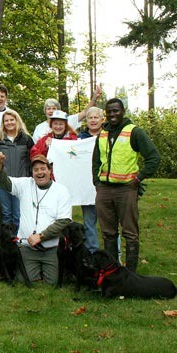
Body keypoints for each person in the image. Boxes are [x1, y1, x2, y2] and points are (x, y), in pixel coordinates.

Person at [92, 98, 160, 272]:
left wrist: (138, 179)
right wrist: (97, 182)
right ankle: (113, 272)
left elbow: (154, 157)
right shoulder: (103, 134)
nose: (113, 114)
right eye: (109, 111)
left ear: (123, 111)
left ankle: (130, 274)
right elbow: (95, 161)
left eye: (116, 110)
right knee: (108, 233)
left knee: (130, 233)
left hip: (126, 189)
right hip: (104, 190)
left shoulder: (134, 132)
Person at [0, 153, 72, 285]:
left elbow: (64, 221)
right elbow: (2, 182)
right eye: (35, 170)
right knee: (24, 280)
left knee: (53, 282)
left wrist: (41, 236)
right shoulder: (24, 184)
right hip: (27, 247)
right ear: (32, 172)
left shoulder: (61, 191)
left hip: (51, 248)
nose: (39, 172)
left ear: (50, 170)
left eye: (43, 169)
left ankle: (47, 268)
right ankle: (34, 268)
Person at [0, 109, 34, 237]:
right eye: (6, 120)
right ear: (3, 123)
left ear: (17, 121)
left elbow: (32, 160)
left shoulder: (27, 139)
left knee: (18, 213)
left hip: (21, 183)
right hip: (3, 182)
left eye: (11, 120)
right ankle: (7, 241)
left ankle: (19, 240)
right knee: (6, 213)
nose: (9, 123)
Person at [32, 85, 101, 142]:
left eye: (54, 108)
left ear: (59, 110)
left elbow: (85, 112)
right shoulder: (39, 128)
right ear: (45, 111)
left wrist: (94, 98)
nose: (51, 111)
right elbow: (35, 147)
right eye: (48, 109)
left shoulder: (68, 120)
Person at [77, 106, 103, 252]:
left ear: (102, 119)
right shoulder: (79, 139)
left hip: (106, 185)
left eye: (96, 117)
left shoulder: (108, 135)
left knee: (109, 223)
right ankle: (93, 252)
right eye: (90, 118)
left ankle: (114, 255)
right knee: (88, 222)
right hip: (86, 186)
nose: (93, 120)